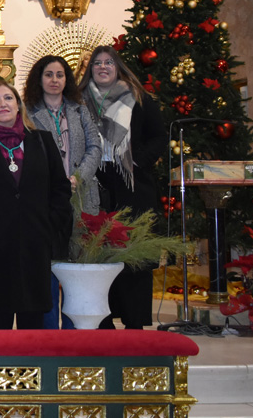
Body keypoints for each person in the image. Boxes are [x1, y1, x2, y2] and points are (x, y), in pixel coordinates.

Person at [0, 80, 72, 330]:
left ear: (18, 105)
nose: (2, 104)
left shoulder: (42, 141)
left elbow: (60, 189)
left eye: (8, 98)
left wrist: (49, 226)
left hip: (35, 245)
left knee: (33, 328)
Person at [80, 46, 168, 330]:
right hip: (96, 184)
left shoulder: (138, 97)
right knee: (99, 254)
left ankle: (135, 323)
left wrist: (137, 160)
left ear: (118, 67)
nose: (103, 67)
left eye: (109, 62)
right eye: (97, 63)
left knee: (136, 255)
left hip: (133, 183)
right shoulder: (79, 101)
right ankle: (103, 322)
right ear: (90, 69)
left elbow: (158, 137)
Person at [23, 54, 102, 330]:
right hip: (45, 200)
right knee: (48, 266)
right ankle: (48, 333)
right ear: (39, 79)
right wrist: (56, 182)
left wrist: (78, 178)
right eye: (49, 75)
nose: (54, 80)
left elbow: (95, 147)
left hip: (82, 197)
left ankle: (73, 332)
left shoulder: (80, 110)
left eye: (60, 75)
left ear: (67, 80)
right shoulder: (27, 112)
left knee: (77, 269)